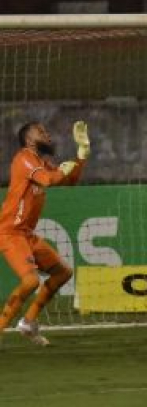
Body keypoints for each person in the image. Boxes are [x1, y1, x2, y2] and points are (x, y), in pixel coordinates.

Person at [0, 121, 90, 346]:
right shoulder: (24, 158)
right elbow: (48, 180)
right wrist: (61, 170)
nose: (47, 134)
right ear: (29, 140)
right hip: (10, 233)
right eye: (41, 132)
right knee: (30, 281)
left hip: (27, 234)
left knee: (63, 273)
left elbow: (70, 181)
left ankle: (28, 322)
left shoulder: (41, 162)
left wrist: (82, 154)